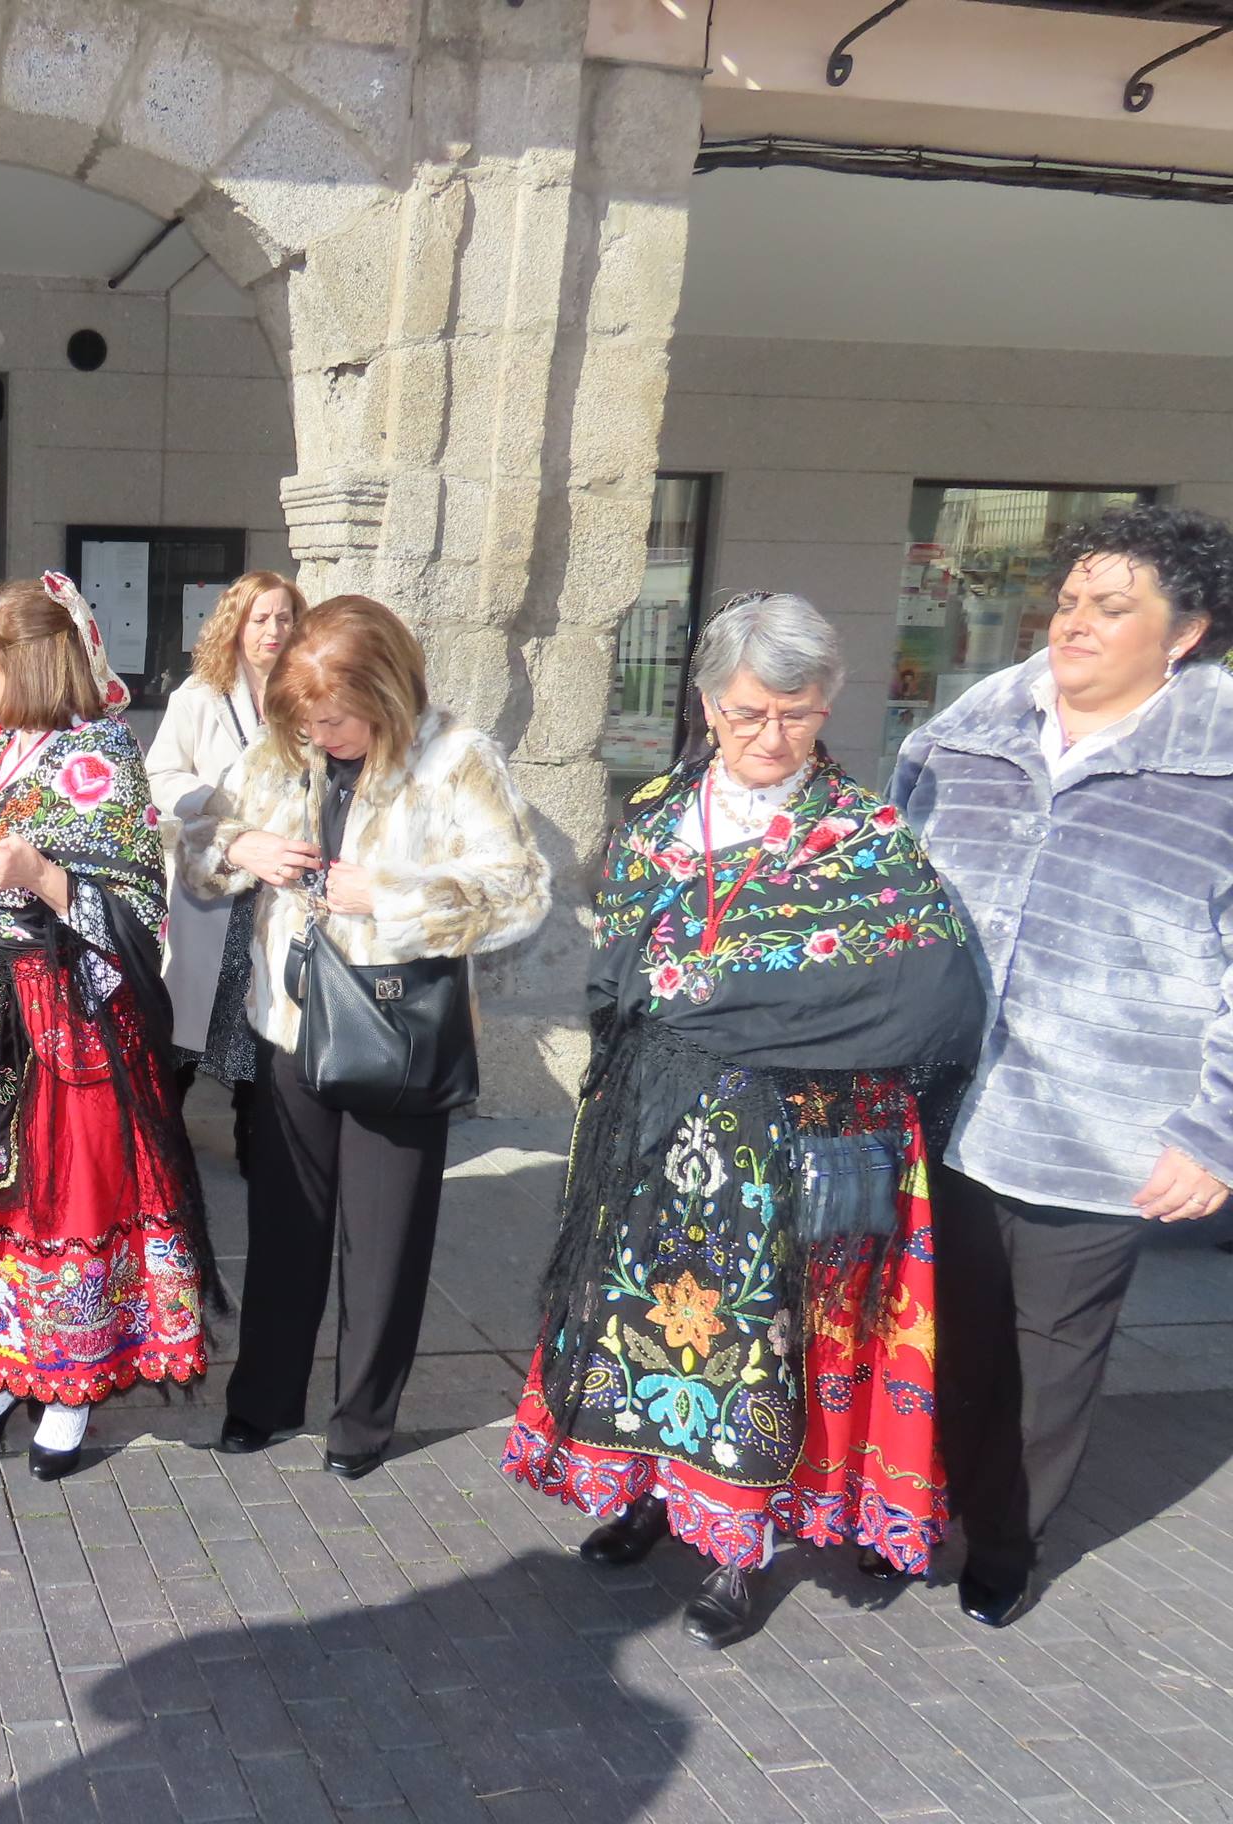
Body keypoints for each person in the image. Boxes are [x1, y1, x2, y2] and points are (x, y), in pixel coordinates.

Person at [502, 593, 983, 1649]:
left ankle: (736, 1544)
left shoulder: (861, 836)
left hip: (789, 1147)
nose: (772, 737)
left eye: (798, 715)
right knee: (642, 1319)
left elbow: (928, 994)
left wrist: (722, 1005)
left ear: (827, 708)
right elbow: (618, 975)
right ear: (708, 702)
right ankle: (643, 1491)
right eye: (748, 712)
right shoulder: (660, 814)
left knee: (763, 1348)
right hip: (657, 1133)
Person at [891, 504, 1233, 1629]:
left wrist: (1212, 1134)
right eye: (1069, 599)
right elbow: (890, 911)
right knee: (931, 1329)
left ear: (1180, 633)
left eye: (1109, 606)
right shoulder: (958, 738)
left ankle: (1002, 1541)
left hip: (1096, 1126)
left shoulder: (1218, 774)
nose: (1073, 622)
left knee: (1043, 1359)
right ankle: (907, 1506)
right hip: (937, 1104)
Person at [0, 572, 213, 1481]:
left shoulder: (101, 754)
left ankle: (64, 1387)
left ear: (26, 659)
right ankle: (1, 1364)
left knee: (62, 1195)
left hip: (60, 1016)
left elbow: (139, 909)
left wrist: (45, 876)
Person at [184, 597, 548, 1483]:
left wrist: (390, 897)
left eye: (338, 718)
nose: (324, 735)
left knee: (382, 1246)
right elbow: (196, 842)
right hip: (292, 1023)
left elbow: (521, 891)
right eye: (309, 720)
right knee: (283, 1230)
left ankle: (362, 1424)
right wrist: (245, 851)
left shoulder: (457, 758)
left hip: (396, 1031)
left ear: (385, 694)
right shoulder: (283, 747)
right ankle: (263, 1402)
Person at [146, 569, 307, 1168]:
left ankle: (254, 1136)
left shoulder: (311, 693)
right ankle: (160, 1132)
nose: (273, 630)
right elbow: (161, 776)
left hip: (282, 883)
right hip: (212, 875)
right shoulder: (198, 697)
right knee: (193, 1012)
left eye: (285, 617)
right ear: (236, 626)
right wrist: (215, 805)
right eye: (261, 618)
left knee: (261, 1014)